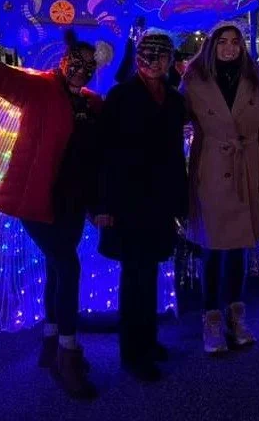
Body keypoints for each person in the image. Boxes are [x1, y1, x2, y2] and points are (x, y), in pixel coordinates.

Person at [0, 30, 100, 399]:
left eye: (89, 65)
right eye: (76, 62)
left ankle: (50, 343)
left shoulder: (93, 103)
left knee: (57, 268)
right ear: (64, 61)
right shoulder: (39, 88)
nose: (82, 70)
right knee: (68, 267)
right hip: (38, 199)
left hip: (73, 203)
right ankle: (68, 352)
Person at [94, 30, 188, 382]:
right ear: (138, 58)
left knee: (149, 273)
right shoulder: (120, 95)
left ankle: (147, 340)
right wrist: (103, 203)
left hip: (160, 199)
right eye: (148, 55)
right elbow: (104, 153)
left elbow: (175, 152)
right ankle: (133, 352)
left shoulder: (175, 99)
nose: (154, 61)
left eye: (161, 55)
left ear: (170, 59)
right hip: (128, 198)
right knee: (134, 276)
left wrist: (180, 200)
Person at [180, 22, 259, 353]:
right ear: (211, 45)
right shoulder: (194, 79)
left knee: (238, 249)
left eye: (235, 41)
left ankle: (236, 314)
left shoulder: (256, 77)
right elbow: (174, 116)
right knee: (213, 248)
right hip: (212, 168)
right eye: (223, 42)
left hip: (245, 167)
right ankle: (212, 318)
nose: (230, 47)